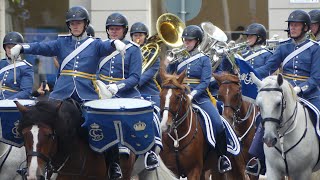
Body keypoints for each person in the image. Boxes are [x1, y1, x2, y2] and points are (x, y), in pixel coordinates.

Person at [245, 9, 320, 176]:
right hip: (283, 92)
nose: (292, 28)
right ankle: (257, 159)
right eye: (291, 25)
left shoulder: (315, 49)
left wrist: (300, 89)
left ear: (306, 27)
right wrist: (249, 73)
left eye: (296, 25)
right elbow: (268, 67)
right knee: (263, 117)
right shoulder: (283, 47)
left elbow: (316, 78)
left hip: (308, 94)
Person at [10, 6, 125, 104]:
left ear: (86, 24)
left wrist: (114, 43)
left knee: (94, 122)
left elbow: (106, 46)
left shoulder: (95, 44)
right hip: (62, 90)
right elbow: (42, 47)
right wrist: (22, 47)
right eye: (72, 23)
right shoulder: (61, 42)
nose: (75, 26)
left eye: (78, 23)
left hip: (86, 91)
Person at [167, 25, 232, 173]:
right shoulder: (179, 58)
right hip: (179, 98)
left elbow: (204, 82)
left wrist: (192, 94)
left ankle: (222, 157)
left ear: (197, 41)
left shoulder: (204, 59)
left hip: (200, 99)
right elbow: (169, 77)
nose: (186, 43)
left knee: (218, 123)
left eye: (189, 41)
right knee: (164, 118)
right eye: (185, 40)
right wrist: (170, 63)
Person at [96, 13, 143, 179]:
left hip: (126, 93)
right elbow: (93, 71)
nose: (114, 31)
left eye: (117, 28)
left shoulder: (133, 49)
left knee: (150, 114)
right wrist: (99, 85)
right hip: (101, 93)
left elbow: (135, 77)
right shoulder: (100, 47)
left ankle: (152, 151)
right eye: (111, 28)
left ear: (124, 30)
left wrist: (118, 86)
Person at [130, 22, 161, 171]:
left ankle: (151, 153)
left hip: (149, 94)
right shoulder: (128, 53)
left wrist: (129, 82)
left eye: (140, 36)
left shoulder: (153, 55)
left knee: (153, 118)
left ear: (145, 37)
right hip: (131, 95)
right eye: (135, 35)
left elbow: (143, 78)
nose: (137, 38)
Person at [0, 31, 33, 100]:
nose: (11, 50)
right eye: (8, 47)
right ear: (5, 48)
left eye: (14, 48)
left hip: (12, 105)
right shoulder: (1, 64)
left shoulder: (26, 68)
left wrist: (7, 101)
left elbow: (26, 92)